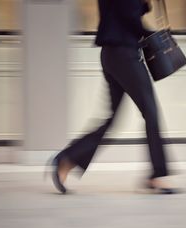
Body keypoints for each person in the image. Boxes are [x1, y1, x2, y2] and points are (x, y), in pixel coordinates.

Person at [49, 0, 179, 194]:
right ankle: (156, 175)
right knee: (150, 112)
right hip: (125, 55)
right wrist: (153, 35)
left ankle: (67, 159)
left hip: (111, 54)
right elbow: (129, 16)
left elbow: (122, 14)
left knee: (112, 119)